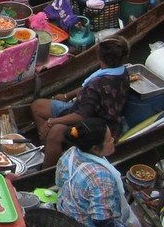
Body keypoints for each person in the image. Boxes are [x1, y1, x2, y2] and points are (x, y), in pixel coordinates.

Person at [31, 38, 131, 168]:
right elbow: (86, 89)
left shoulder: (99, 84)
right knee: (38, 106)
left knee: (56, 131)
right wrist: (67, 96)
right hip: (80, 108)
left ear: (100, 57)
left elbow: (81, 116)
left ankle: (47, 169)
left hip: (96, 126)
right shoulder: (121, 71)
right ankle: (49, 149)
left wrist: (51, 122)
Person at [56, 118, 156, 227]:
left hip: (64, 216)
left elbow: (59, 183)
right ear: (95, 149)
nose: (113, 140)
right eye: (108, 139)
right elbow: (101, 220)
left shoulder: (70, 153)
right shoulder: (101, 177)